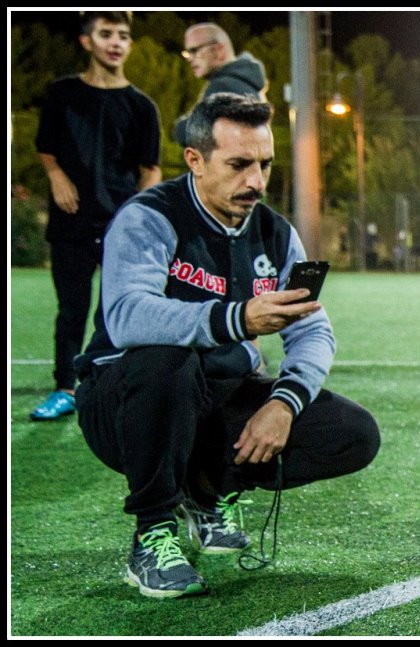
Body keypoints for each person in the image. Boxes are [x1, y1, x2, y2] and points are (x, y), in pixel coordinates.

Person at [73, 93, 380, 599]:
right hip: (125, 403)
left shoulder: (276, 233)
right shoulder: (148, 216)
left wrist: (284, 402)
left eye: (264, 164)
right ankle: (152, 532)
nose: (256, 181)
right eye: (239, 165)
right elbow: (126, 317)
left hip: (214, 400)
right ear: (195, 160)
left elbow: (312, 330)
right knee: (164, 356)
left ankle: (207, 492)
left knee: (353, 432)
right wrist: (235, 317)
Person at [30, 11, 162, 421]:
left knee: (117, 310)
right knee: (71, 308)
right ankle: (64, 388)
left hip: (117, 226)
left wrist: (137, 218)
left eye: (123, 35)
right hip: (70, 221)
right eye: (106, 34)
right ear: (87, 42)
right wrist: (56, 177)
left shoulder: (141, 106)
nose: (116, 42)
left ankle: (112, 385)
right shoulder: (62, 94)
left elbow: (150, 170)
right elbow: (46, 147)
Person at [173, 22, 267, 146]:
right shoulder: (247, 84)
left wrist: (180, 126)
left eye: (194, 51)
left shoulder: (222, 87)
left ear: (219, 50)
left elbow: (190, 133)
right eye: (187, 53)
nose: (190, 58)